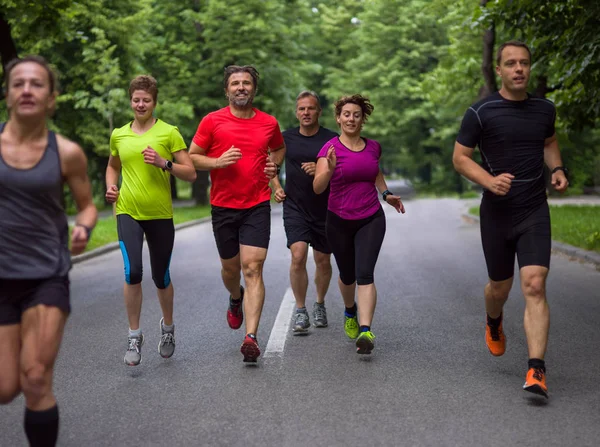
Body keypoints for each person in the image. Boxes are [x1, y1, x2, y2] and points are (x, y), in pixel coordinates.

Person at [453, 40, 569, 398]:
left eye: (524, 63)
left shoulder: (544, 108)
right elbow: (460, 158)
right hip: (497, 213)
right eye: (511, 63)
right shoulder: (480, 112)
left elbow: (549, 142)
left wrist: (558, 168)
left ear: (529, 68)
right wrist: (489, 181)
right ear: (499, 70)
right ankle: (493, 320)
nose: (519, 69)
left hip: (534, 208)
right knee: (499, 289)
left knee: (534, 284)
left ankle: (536, 370)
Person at [0, 56, 98, 447]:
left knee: (36, 378)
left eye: (37, 84)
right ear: (7, 95)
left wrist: (84, 226)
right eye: (18, 83)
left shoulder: (68, 153)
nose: (27, 89)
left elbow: (88, 204)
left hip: (46, 276)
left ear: (52, 98)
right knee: (6, 388)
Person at [188, 65, 284, 363]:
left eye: (246, 83)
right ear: (227, 89)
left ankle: (252, 337)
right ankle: (235, 297)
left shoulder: (269, 123)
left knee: (253, 267)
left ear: (254, 89)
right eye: (235, 83)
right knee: (231, 271)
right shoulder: (212, 121)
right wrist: (217, 162)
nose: (241, 87)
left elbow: (278, 150)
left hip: (256, 204)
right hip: (223, 206)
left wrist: (272, 167)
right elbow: (192, 156)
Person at [105, 75, 197, 366]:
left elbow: (191, 172)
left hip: (160, 214)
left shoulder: (169, 133)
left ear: (154, 103)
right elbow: (112, 165)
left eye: (146, 100)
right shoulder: (119, 134)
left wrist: (163, 163)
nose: (140, 104)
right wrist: (111, 186)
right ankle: (134, 335)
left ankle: (167, 329)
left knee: (161, 277)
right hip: (128, 210)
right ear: (131, 101)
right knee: (132, 272)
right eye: (136, 99)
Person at [313, 94, 405, 355]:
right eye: (346, 114)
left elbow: (374, 171)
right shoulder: (329, 149)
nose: (351, 118)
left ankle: (365, 330)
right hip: (339, 220)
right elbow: (318, 187)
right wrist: (328, 171)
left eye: (356, 114)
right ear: (338, 118)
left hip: (371, 218)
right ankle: (350, 310)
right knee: (347, 275)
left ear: (362, 119)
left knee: (365, 273)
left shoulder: (373, 146)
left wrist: (386, 194)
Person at [271, 91, 338, 334]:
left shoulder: (332, 140)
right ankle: (300, 310)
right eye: (302, 109)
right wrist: (276, 188)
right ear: (296, 112)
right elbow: (271, 167)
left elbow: (341, 172)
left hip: (325, 207)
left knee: (322, 259)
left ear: (319, 112)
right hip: (295, 205)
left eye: (311, 108)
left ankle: (319, 304)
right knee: (298, 255)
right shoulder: (285, 138)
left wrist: (322, 170)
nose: (306, 113)